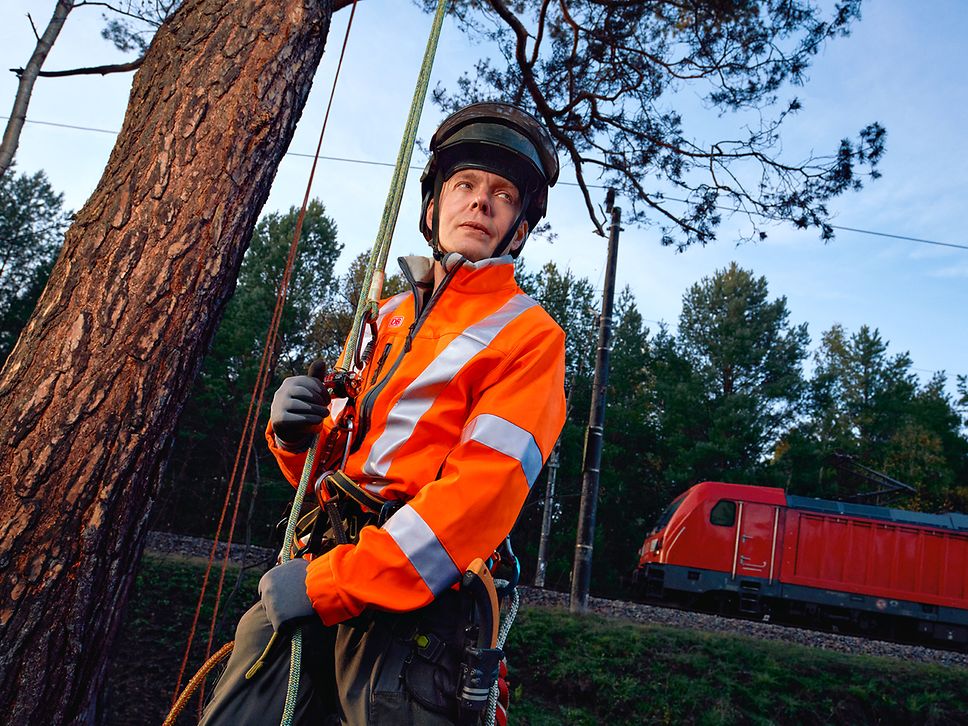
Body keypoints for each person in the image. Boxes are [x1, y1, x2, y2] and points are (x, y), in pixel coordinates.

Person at [200, 102, 566, 725]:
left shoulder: (530, 337)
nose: (481, 202)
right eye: (465, 185)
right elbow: (327, 475)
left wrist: (333, 584)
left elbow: (477, 500)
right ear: (432, 208)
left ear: (520, 227)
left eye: (503, 195)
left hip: (410, 611)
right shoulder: (386, 318)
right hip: (323, 565)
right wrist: (294, 436)